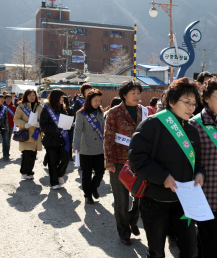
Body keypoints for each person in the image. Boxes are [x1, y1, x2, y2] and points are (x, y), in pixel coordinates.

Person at [129, 77, 205, 258]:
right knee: (156, 252)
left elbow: (198, 161)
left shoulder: (192, 129)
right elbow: (136, 158)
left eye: (194, 104)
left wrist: (200, 173)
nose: (191, 107)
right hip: (155, 201)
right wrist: (163, 177)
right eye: (186, 102)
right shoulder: (152, 124)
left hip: (183, 202)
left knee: (191, 250)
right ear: (171, 102)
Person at [188, 78, 217, 258]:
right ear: (206, 98)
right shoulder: (195, 124)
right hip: (203, 191)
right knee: (212, 240)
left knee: (207, 239)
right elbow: (190, 159)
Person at [104, 80, 147, 246]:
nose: (137, 96)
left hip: (141, 162)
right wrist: (109, 161)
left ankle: (133, 219)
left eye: (138, 93)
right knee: (121, 200)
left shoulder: (144, 112)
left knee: (139, 197)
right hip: (120, 161)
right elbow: (108, 138)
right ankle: (124, 232)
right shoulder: (114, 113)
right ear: (124, 95)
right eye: (133, 93)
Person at [73, 89, 106, 204]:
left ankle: (93, 187)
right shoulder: (81, 113)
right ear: (89, 100)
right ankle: (88, 194)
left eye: (99, 101)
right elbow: (77, 131)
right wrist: (75, 146)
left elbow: (103, 130)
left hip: (99, 148)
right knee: (86, 173)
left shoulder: (101, 112)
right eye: (95, 100)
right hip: (85, 147)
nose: (98, 103)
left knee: (100, 171)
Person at [40, 89, 71, 190]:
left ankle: (59, 175)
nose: (63, 99)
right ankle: (54, 183)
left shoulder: (63, 108)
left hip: (62, 139)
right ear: (55, 98)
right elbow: (43, 126)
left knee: (66, 159)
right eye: (61, 97)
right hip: (51, 140)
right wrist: (55, 129)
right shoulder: (46, 109)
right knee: (53, 162)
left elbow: (65, 122)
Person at [14, 89, 43, 180]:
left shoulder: (39, 107)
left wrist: (41, 124)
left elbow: (44, 119)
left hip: (36, 134)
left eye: (33, 95)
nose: (32, 97)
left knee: (33, 155)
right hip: (26, 134)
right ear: (26, 96)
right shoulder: (21, 107)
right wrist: (24, 124)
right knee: (26, 153)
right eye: (30, 95)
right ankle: (24, 171)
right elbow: (16, 119)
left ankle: (30, 171)